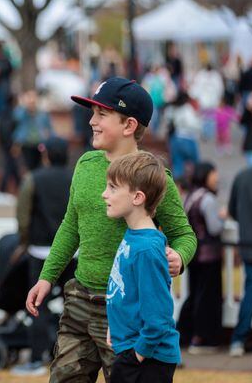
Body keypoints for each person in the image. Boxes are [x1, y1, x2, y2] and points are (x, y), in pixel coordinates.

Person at [25, 77, 197, 382]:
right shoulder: (85, 164)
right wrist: (47, 277)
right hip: (78, 299)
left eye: (101, 114)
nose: (91, 122)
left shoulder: (155, 178)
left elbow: (185, 234)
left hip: (125, 313)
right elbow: (70, 226)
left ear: (129, 125)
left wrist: (180, 257)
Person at [103, 151, 180, 383]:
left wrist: (136, 356)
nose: (104, 194)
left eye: (113, 188)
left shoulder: (146, 249)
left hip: (148, 359)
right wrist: (114, 328)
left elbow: (158, 315)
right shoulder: (134, 236)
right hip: (133, 350)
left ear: (137, 197)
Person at [10, 137, 74, 376]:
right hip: (74, 252)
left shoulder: (33, 179)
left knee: (37, 305)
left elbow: (23, 216)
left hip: (41, 250)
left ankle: (37, 358)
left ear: (45, 155)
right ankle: (74, 357)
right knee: (75, 304)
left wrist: (23, 241)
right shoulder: (76, 177)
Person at [177, 162, 224, 353]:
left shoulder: (191, 196)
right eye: (214, 173)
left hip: (194, 255)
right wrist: (224, 216)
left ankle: (185, 335)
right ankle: (202, 338)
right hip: (209, 256)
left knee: (195, 295)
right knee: (207, 298)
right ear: (206, 175)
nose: (217, 177)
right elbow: (215, 228)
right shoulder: (208, 199)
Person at [227, 165, 252, 357]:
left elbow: (232, 209)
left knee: (250, 293)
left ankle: (238, 339)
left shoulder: (242, 176)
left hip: (248, 244)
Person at [163, 90, 201, 180]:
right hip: (188, 139)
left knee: (177, 165)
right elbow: (194, 124)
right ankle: (196, 183)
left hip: (175, 139)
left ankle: (178, 187)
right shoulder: (187, 108)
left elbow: (167, 120)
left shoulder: (171, 108)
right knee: (196, 165)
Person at [13, 90, 53, 172]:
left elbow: (49, 129)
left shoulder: (43, 114)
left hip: (40, 145)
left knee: (40, 168)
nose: (32, 101)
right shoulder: (22, 113)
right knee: (27, 167)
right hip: (26, 144)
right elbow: (17, 123)